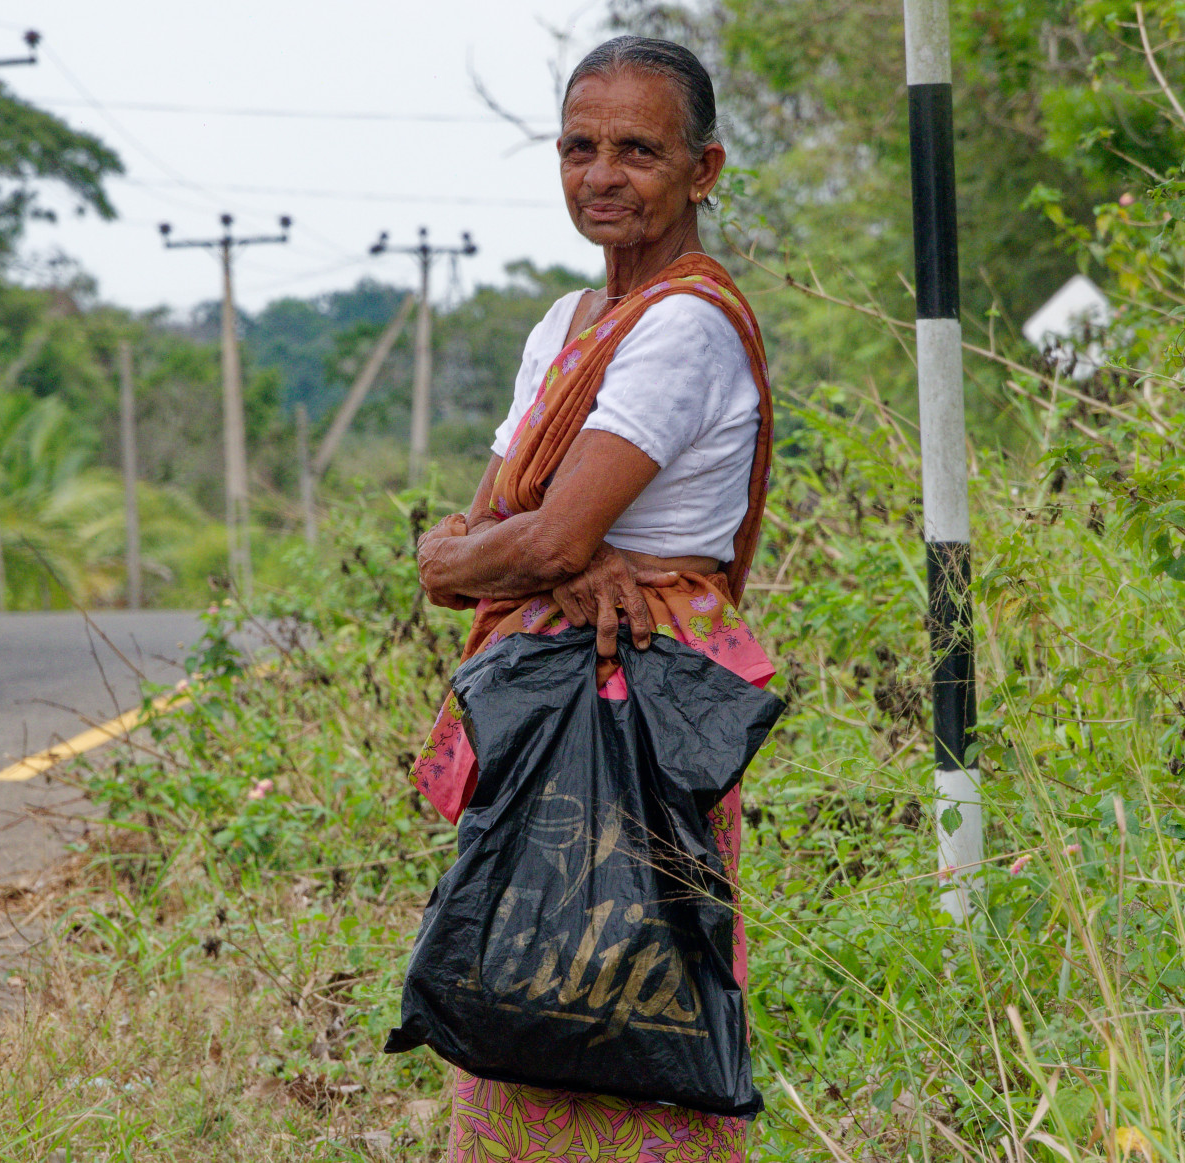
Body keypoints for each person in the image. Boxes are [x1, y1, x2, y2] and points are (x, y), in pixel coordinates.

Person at [409, 36, 775, 1163]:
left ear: (703, 168)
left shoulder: (683, 324)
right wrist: (531, 556)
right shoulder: (561, 326)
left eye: (638, 150)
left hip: (638, 706)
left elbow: (533, 533)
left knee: (635, 967)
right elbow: (445, 557)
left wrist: (542, 551)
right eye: (579, 147)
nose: (601, 174)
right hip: (542, 695)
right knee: (517, 968)